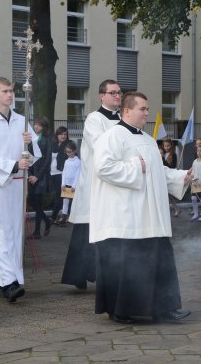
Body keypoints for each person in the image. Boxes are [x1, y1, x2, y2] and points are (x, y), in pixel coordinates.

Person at [90, 92, 192, 324]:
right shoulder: (112, 136)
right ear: (126, 111)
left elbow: (157, 171)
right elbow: (103, 168)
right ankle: (120, 310)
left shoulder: (147, 139)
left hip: (152, 216)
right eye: (143, 109)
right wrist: (136, 166)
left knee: (159, 260)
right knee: (128, 264)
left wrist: (181, 177)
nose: (147, 113)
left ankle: (164, 308)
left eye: (147, 109)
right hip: (127, 216)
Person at [0, 77, 40, 302]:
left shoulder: (22, 121)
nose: (10, 95)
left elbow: (35, 154)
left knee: (14, 232)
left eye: (11, 91)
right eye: (5, 91)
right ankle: (9, 283)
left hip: (17, 184)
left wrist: (29, 144)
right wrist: (13, 165)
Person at [61, 79, 121, 290]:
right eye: (112, 93)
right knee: (86, 232)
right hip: (95, 185)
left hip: (114, 182)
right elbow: (101, 146)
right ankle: (78, 275)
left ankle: (99, 272)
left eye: (119, 93)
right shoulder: (94, 119)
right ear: (101, 96)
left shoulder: (122, 118)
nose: (117, 96)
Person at [27, 117, 53, 240]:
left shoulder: (46, 140)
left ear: (44, 127)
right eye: (35, 124)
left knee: (37, 203)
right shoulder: (33, 139)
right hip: (32, 174)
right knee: (33, 202)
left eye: (39, 125)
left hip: (40, 177)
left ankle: (37, 232)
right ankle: (47, 221)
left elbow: (47, 160)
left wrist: (37, 176)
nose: (36, 127)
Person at [50, 126, 70, 225]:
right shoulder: (53, 145)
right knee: (63, 196)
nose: (63, 136)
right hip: (52, 173)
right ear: (57, 135)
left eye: (65, 134)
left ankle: (53, 217)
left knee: (61, 195)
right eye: (61, 134)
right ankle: (64, 218)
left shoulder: (68, 145)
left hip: (62, 173)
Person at [58, 141, 81, 225]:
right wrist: (63, 184)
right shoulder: (66, 161)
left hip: (74, 186)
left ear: (74, 151)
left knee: (74, 202)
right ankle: (64, 217)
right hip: (66, 184)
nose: (68, 153)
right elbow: (64, 173)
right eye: (67, 152)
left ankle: (74, 217)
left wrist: (74, 185)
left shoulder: (78, 162)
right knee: (65, 201)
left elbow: (78, 175)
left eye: (70, 152)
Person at [161, 137, 181, 217]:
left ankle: (175, 209)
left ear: (171, 146)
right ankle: (176, 209)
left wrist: (163, 161)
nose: (166, 147)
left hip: (169, 176)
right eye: (165, 146)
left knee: (168, 195)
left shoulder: (173, 155)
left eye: (168, 146)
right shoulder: (163, 154)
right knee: (167, 195)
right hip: (163, 176)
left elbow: (172, 166)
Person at [190, 145, 201, 222]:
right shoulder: (195, 161)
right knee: (193, 198)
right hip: (195, 183)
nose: (199, 152)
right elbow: (193, 171)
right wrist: (193, 179)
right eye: (198, 151)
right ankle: (196, 214)